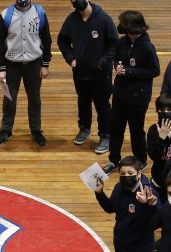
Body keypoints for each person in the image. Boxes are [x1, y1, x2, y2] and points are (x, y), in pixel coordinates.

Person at [57, 0, 117, 154]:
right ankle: (84, 129)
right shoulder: (71, 20)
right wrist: (70, 58)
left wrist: (102, 62)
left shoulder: (104, 19)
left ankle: (105, 135)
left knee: (102, 105)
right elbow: (62, 40)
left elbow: (114, 45)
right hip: (80, 73)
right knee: (83, 102)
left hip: (101, 74)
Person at [103, 10, 159, 172]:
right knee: (116, 128)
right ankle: (114, 159)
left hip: (138, 98)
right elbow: (116, 57)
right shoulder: (123, 42)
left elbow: (154, 71)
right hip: (120, 94)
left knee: (136, 130)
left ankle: (141, 159)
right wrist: (118, 66)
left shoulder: (148, 48)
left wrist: (130, 72)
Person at [0, 0, 52, 148]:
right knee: (9, 99)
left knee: (34, 98)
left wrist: (45, 63)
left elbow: (46, 38)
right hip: (12, 64)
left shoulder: (40, 13)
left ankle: (36, 130)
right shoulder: (6, 14)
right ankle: (6, 129)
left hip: (34, 64)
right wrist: (1, 67)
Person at [146, 93, 171, 197]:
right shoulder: (153, 130)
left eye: (169, 109)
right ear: (157, 111)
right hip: (159, 179)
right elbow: (154, 156)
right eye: (162, 109)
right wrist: (161, 138)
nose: (165, 112)